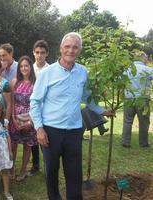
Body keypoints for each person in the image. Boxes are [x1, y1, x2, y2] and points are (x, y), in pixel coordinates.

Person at [29, 32, 114, 200]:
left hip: (75, 131)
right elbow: (35, 102)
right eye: (67, 46)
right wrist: (39, 128)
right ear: (61, 49)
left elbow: (87, 98)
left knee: (74, 173)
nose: (71, 50)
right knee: (51, 172)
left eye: (75, 47)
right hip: (50, 131)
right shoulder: (47, 73)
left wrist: (102, 110)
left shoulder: (83, 72)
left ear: (79, 50)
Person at [9, 56, 37, 181]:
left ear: (31, 67)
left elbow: (38, 104)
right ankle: (12, 169)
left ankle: (23, 170)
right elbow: (12, 101)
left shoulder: (36, 83)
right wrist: (14, 118)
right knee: (13, 145)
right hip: (15, 118)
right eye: (21, 66)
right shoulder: (14, 82)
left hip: (30, 118)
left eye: (26, 65)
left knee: (27, 145)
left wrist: (30, 122)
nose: (24, 68)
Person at [122, 51, 153, 148]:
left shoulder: (127, 69)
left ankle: (125, 142)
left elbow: (121, 81)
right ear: (142, 58)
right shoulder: (148, 69)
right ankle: (143, 143)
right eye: (146, 57)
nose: (147, 59)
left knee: (127, 121)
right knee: (144, 122)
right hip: (142, 99)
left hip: (128, 98)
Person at [28, 40, 50, 177]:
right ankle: (35, 165)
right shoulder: (29, 69)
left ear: (47, 54)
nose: (39, 55)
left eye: (42, 53)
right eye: (37, 52)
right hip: (31, 109)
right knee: (33, 140)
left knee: (45, 139)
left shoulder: (51, 70)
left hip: (46, 110)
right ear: (33, 53)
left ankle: (49, 166)